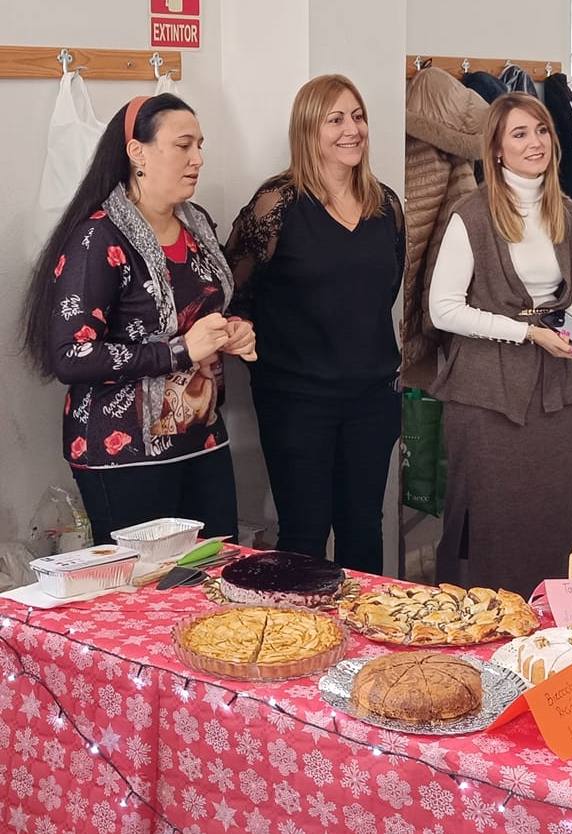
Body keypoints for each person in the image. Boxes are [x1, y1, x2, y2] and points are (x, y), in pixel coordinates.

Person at [21, 94, 254, 544]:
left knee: (213, 575)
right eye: (183, 146)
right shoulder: (98, 238)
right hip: (123, 452)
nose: (198, 159)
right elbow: (71, 355)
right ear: (137, 152)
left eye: (200, 146)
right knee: (143, 595)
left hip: (200, 438)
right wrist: (183, 349)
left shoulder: (196, 224)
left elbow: (208, 311)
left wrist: (231, 331)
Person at [226, 75, 404, 575]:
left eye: (358, 116)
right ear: (309, 129)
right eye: (336, 119)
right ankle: (302, 645)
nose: (352, 129)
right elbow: (232, 288)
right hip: (296, 398)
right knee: (304, 531)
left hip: (371, 396)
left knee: (364, 527)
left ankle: (366, 642)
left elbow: (383, 292)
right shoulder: (276, 204)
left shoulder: (386, 205)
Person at [427, 93, 572, 597]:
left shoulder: (566, 212)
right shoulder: (470, 216)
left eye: (541, 130)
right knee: (488, 519)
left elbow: (567, 297)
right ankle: (477, 625)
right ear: (495, 149)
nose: (535, 142)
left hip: (550, 392)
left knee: (549, 514)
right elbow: (442, 309)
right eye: (519, 134)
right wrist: (527, 332)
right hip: (486, 395)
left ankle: (544, 626)